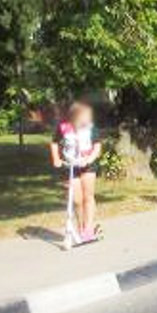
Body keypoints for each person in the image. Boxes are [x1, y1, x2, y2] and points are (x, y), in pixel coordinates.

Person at [49, 100, 103, 242]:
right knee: (76, 199)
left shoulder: (90, 127)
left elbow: (97, 146)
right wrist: (56, 158)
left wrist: (90, 158)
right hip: (71, 165)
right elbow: (54, 143)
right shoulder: (63, 127)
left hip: (87, 165)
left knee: (88, 196)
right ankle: (80, 226)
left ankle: (88, 229)